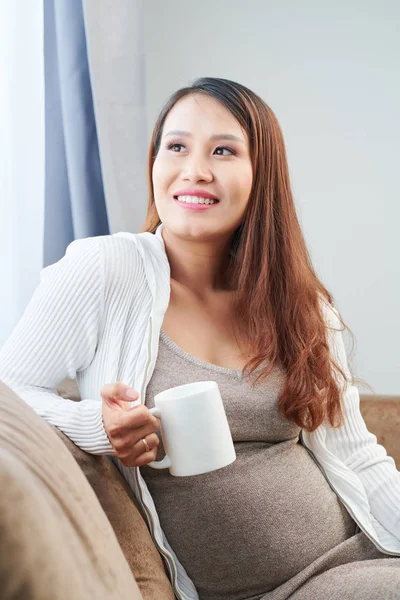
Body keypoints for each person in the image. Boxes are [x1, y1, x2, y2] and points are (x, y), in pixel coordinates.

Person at [0, 77, 399, 600]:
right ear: (155, 162)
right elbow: (9, 392)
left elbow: (357, 454)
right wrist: (97, 425)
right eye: (177, 146)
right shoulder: (106, 269)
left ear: (263, 176)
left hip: (359, 558)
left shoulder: (297, 302)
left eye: (224, 150)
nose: (195, 170)